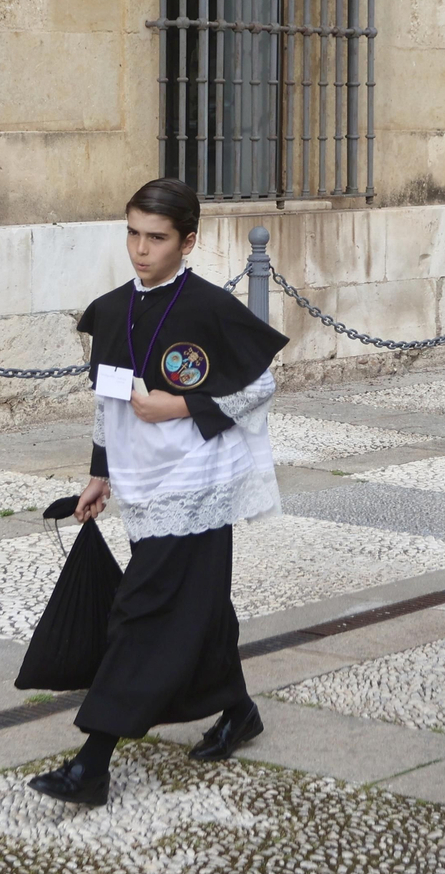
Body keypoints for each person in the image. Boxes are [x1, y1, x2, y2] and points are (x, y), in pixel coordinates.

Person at [28, 178, 288, 806]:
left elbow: (261, 386)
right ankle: (238, 708)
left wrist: (182, 404)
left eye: (157, 238)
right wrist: (99, 473)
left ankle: (92, 762)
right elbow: (108, 403)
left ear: (188, 241)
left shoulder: (209, 306)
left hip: (196, 483)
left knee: (142, 611)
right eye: (133, 234)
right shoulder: (113, 309)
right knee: (199, 605)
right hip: (142, 482)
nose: (141, 250)